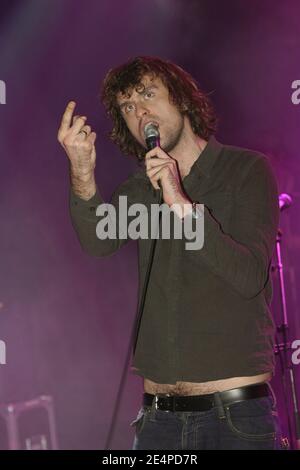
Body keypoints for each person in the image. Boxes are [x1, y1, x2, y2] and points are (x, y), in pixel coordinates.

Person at [58, 56, 286, 450]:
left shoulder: (245, 171)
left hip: (234, 419)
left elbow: (249, 276)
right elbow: (98, 241)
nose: (139, 111)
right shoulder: (139, 188)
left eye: (148, 95)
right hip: (158, 420)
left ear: (182, 99)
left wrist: (179, 201)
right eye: (128, 106)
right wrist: (81, 171)